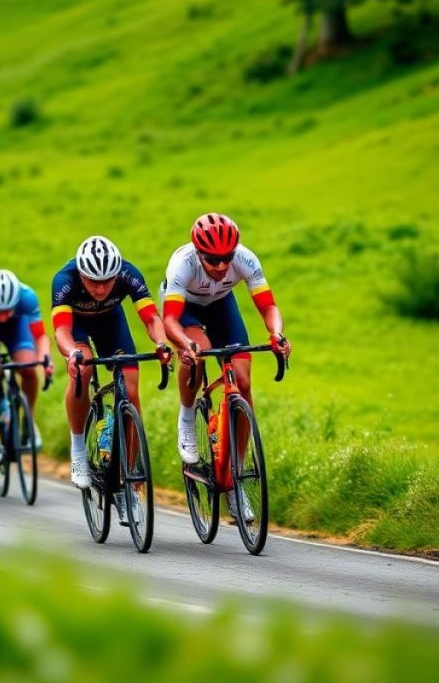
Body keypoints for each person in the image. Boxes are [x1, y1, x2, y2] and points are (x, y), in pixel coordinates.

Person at [161, 213, 291, 521]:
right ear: (198, 253)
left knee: (243, 385)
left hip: (221, 306)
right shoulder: (182, 265)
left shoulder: (246, 259)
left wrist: (276, 334)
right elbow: (170, 321)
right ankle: (187, 415)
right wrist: (185, 344)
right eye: (212, 260)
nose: (221, 266)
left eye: (226, 258)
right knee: (200, 350)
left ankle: (235, 480)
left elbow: (268, 306)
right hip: (184, 310)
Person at [51, 235, 172, 524]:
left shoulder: (129, 274)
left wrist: (161, 343)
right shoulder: (64, 280)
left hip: (111, 324)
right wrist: (71, 354)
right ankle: (78, 449)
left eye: (108, 281)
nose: (101, 288)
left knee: (130, 388)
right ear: (81, 274)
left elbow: (151, 318)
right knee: (83, 371)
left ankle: (130, 482)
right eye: (93, 282)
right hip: (77, 327)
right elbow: (62, 330)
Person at [0, 269, 54, 462]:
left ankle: (28, 420)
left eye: (8, 311)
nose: (3, 317)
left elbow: (40, 336)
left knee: (29, 366)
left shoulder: (27, 297)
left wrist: (45, 358)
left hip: (16, 329)